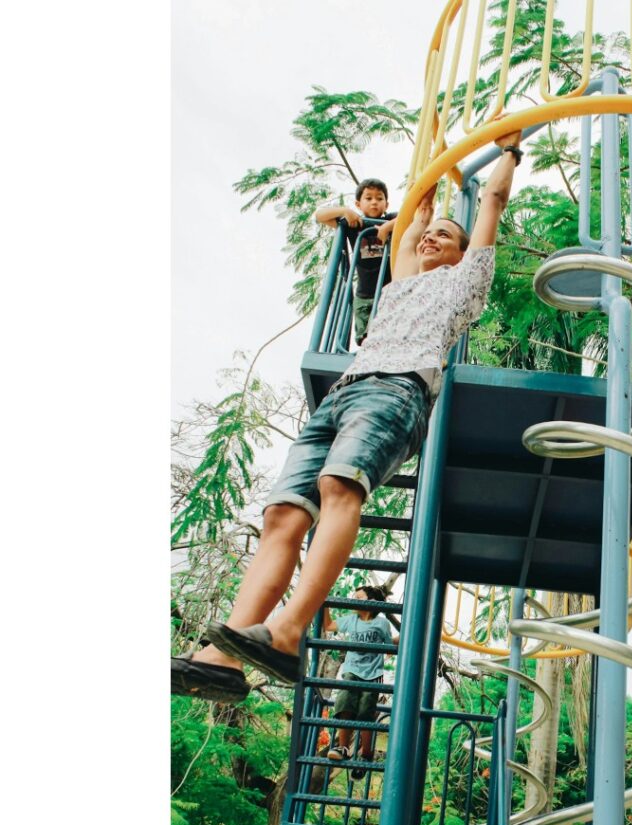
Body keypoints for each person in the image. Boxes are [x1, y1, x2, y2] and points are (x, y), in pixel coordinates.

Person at [171, 126, 523, 693]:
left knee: (340, 486)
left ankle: (286, 632)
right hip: (347, 390)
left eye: (445, 236)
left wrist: (508, 151)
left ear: (463, 254)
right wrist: (430, 166)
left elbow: (492, 203)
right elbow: (415, 215)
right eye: (429, 233)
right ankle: (223, 655)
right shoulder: (400, 282)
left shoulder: (465, 285)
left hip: (398, 389)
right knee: (282, 516)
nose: (432, 238)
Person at [324, 585, 397, 778]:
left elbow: (389, 649)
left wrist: (398, 639)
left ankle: (366, 755)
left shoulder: (381, 624)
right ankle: (343, 748)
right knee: (345, 705)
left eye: (358, 597)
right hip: (351, 671)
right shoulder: (351, 620)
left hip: (372, 674)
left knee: (365, 713)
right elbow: (329, 626)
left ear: (370, 602)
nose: (352, 600)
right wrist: (324, 603)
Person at [315, 178, 398, 343]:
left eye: (379, 198)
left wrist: (387, 228)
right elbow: (320, 216)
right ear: (358, 204)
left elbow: (413, 217)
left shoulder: (390, 219)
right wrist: (344, 210)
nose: (374, 202)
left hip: (388, 292)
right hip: (364, 294)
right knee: (364, 338)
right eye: (368, 198)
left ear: (386, 204)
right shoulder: (355, 223)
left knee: (386, 332)